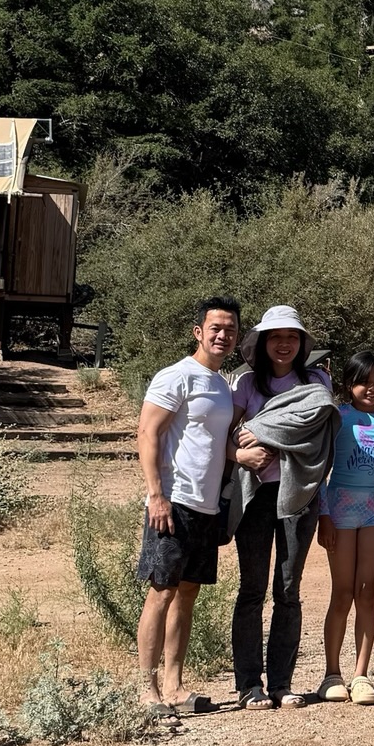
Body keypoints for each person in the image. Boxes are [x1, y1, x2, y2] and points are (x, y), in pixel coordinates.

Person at [135, 296, 241, 715]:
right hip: (173, 500)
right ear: (198, 332)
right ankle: (147, 689)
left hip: (207, 505)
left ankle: (175, 685)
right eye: (215, 328)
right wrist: (155, 494)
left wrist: (240, 453)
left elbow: (214, 443)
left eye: (230, 329)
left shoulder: (222, 384)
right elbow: (147, 432)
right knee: (161, 591)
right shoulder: (176, 377)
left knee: (188, 594)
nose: (222, 335)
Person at [228, 305, 335, 709]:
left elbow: (317, 435)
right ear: (263, 343)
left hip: (300, 495)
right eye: (276, 337)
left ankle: (282, 684)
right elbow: (232, 436)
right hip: (255, 496)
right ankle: (248, 685)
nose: (284, 343)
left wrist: (262, 434)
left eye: (292, 337)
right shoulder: (246, 385)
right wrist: (242, 451)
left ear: (302, 343)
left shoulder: (317, 381)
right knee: (252, 589)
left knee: (288, 591)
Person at [316, 350, 374, 705]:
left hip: (373, 516)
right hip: (339, 513)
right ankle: (331, 674)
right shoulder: (337, 418)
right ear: (349, 384)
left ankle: (361, 675)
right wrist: (323, 515)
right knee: (343, 592)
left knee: (367, 592)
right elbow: (320, 472)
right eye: (364, 381)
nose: (372, 388)